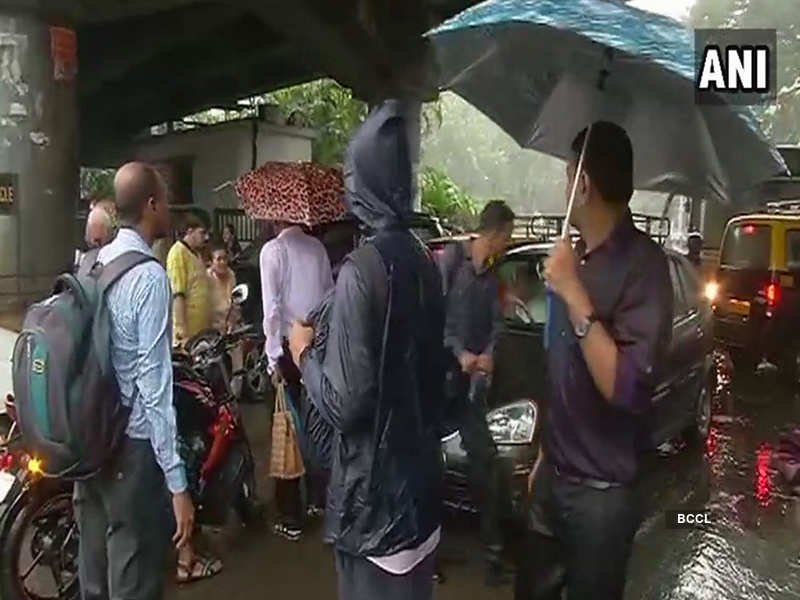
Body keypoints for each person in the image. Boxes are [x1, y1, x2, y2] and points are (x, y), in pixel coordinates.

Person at [289, 99, 446, 600]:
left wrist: (303, 354)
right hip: (420, 501)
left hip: (375, 514)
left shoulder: (362, 270)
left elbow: (346, 404)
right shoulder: (426, 262)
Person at [515, 122, 673, 600]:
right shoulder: (576, 260)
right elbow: (562, 370)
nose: (565, 188)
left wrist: (575, 298)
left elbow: (628, 389)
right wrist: (545, 450)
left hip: (602, 499)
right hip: (553, 480)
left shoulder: (646, 268)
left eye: (568, 178)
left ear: (583, 186)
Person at [75, 162, 194, 600]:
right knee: (134, 582)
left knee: (94, 579)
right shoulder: (149, 276)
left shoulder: (92, 262)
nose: (168, 209)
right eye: (164, 200)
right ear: (150, 205)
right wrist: (177, 484)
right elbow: (155, 392)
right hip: (131, 447)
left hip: (89, 440)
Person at [438, 200, 516, 586]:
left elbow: (497, 326)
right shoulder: (452, 263)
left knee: (487, 465)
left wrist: (488, 354)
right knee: (429, 470)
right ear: (495, 233)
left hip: (472, 391)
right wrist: (459, 353)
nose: (508, 244)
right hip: (441, 385)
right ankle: (427, 553)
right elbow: (434, 321)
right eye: (508, 236)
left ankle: (493, 558)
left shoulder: (492, 279)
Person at [260, 219, 333, 540]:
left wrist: (273, 354)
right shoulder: (317, 248)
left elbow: (271, 309)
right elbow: (330, 297)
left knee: (285, 429)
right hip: (317, 347)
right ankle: (321, 499)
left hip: (288, 351)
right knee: (319, 425)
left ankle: (291, 515)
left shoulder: (272, 251)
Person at [166, 212, 211, 347]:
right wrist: (181, 330)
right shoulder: (178, 253)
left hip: (201, 330)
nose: (206, 237)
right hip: (187, 333)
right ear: (190, 231)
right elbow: (178, 294)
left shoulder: (196, 254)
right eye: (202, 233)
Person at [207, 242, 237, 333]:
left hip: (229, 325)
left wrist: (232, 320)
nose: (223, 262)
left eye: (225, 258)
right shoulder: (207, 277)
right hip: (211, 326)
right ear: (211, 262)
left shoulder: (231, 275)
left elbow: (235, 302)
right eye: (219, 259)